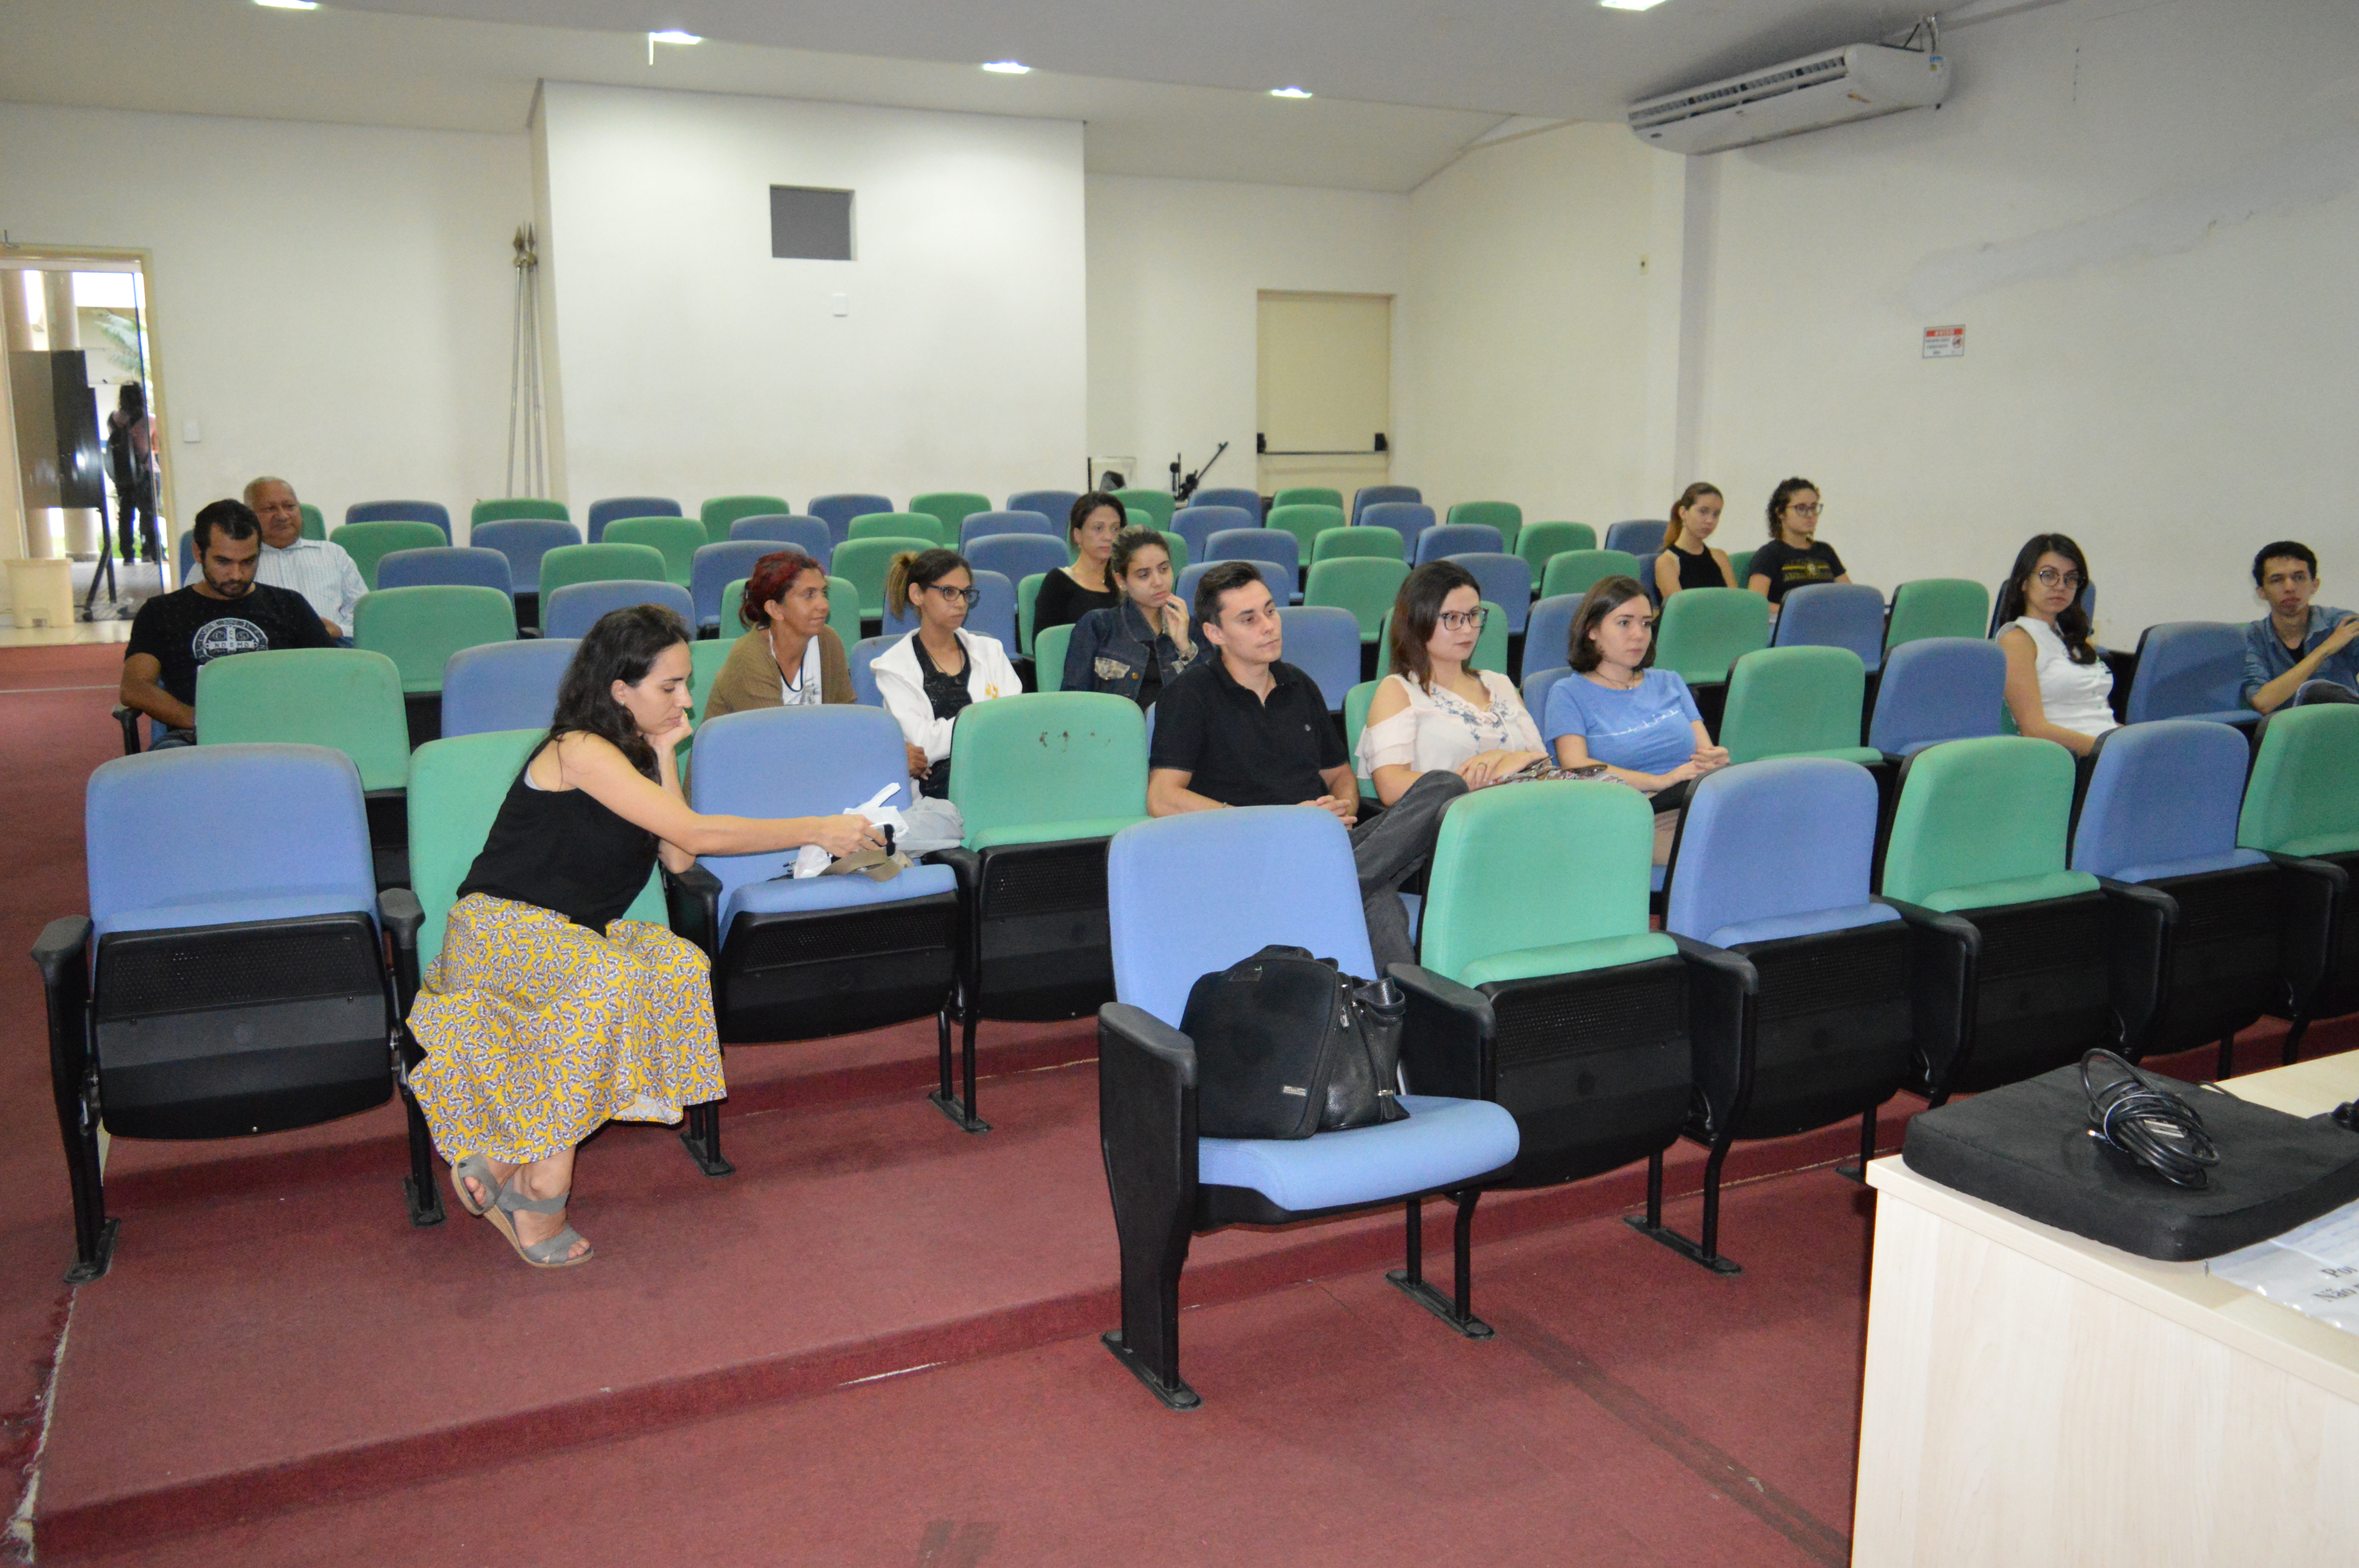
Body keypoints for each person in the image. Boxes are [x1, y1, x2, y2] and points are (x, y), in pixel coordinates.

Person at [409, 604, 885, 1269]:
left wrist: (664, 754)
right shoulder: (579, 750)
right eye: (671, 687)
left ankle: (507, 1154)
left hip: (570, 937)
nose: (686, 700)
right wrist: (816, 826)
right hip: (500, 932)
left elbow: (678, 860)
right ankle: (539, 1187)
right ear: (618, 690)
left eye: (687, 684)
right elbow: (697, 837)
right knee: (611, 980)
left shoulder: (633, 753)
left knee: (676, 968)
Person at [1149, 561, 1465, 972]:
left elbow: (1340, 777)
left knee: (1445, 786)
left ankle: (1326, 887)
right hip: (1248, 854)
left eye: (1270, 610)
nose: (1269, 626)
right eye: (1249, 619)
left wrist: (1343, 810)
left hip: (1321, 844)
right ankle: (1402, 1019)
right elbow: (1162, 797)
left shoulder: (1299, 685)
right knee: (1376, 897)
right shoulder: (1189, 695)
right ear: (1214, 633)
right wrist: (1279, 823)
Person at [1543, 575, 1728, 864]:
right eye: (1624, 623)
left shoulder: (1670, 681)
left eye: (1646, 624)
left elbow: (1703, 753)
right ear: (1592, 630)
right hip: (1633, 815)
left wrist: (1715, 759)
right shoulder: (1568, 693)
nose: (1639, 635)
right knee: (1719, 848)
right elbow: (1577, 766)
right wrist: (1660, 781)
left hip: (1693, 801)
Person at [119, 499, 333, 748]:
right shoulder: (161, 612)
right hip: (195, 737)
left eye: (248, 561)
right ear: (199, 553)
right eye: (224, 562)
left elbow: (332, 676)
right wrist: (204, 721)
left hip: (281, 732)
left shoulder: (289, 605)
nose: (237, 575)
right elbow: (135, 687)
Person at [1359, 561, 1549, 806]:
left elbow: (1541, 764)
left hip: (1518, 810)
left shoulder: (1500, 684)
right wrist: (1477, 779)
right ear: (1419, 621)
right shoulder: (1399, 690)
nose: (1468, 629)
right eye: (1452, 618)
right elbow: (1390, 786)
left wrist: (1499, 757)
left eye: (1473, 615)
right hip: (1448, 822)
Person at [872, 548, 1020, 798]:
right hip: (938, 793)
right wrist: (986, 722)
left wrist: (949, 732)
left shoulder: (990, 651)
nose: (961, 603)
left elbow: (1014, 723)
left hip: (1000, 774)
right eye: (949, 593)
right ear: (918, 595)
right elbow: (923, 745)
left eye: (966, 593)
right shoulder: (893, 667)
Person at [1061, 525, 1213, 707]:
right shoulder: (1098, 627)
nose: (1158, 582)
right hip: (1116, 732)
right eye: (1144, 575)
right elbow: (1073, 704)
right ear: (1122, 581)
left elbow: (1213, 703)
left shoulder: (1192, 628)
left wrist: (1184, 647)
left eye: (1164, 570)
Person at [1996, 532, 2117, 757]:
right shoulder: (2017, 639)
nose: (2061, 586)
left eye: (2070, 578)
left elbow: (2096, 712)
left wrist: (2134, 743)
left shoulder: (2077, 638)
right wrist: (2112, 750)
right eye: (2049, 576)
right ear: (2024, 582)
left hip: (2105, 750)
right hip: (2066, 759)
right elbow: (2034, 729)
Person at [702, 550, 854, 720]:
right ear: (775, 609)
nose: (824, 605)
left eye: (823, 593)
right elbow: (774, 737)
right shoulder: (748, 658)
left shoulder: (827, 640)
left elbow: (846, 713)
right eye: (809, 595)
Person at [241, 476, 368, 642]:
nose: (282, 516)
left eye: (290, 506)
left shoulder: (333, 554)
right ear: (249, 516)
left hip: (332, 651)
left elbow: (363, 612)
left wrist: (340, 630)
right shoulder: (234, 561)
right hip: (262, 657)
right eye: (269, 509)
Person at [2242, 541, 2359, 713]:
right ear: (2262, 592)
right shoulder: (2254, 636)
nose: (2290, 588)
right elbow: (2263, 702)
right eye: (2277, 580)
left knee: (2324, 694)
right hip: (2287, 732)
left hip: (2344, 724)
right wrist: (2326, 649)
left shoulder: (2342, 624)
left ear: (2315, 585)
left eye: (2299, 578)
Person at [1030, 491, 1126, 637]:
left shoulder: (1126, 581)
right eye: (1099, 528)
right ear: (1078, 535)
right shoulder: (1058, 582)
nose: (1109, 537)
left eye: (1115, 529)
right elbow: (1046, 645)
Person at [1745, 477, 1849, 606]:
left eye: (1814, 507)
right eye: (1801, 508)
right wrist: (1798, 614)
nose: (1810, 514)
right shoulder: (1769, 554)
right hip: (1791, 623)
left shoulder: (1826, 551)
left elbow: (1850, 596)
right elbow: (1756, 604)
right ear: (1781, 513)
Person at [1652, 482, 1736, 600]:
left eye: (1716, 514)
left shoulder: (1720, 557)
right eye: (1703, 512)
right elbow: (1680, 612)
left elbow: (1736, 603)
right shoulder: (1667, 562)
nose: (1710, 521)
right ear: (1683, 513)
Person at [107, 382, 160, 565]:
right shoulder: (150, 420)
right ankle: (151, 552)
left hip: (123, 475)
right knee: (149, 513)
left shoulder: (113, 420)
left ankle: (128, 555)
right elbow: (156, 447)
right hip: (146, 471)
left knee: (126, 514)